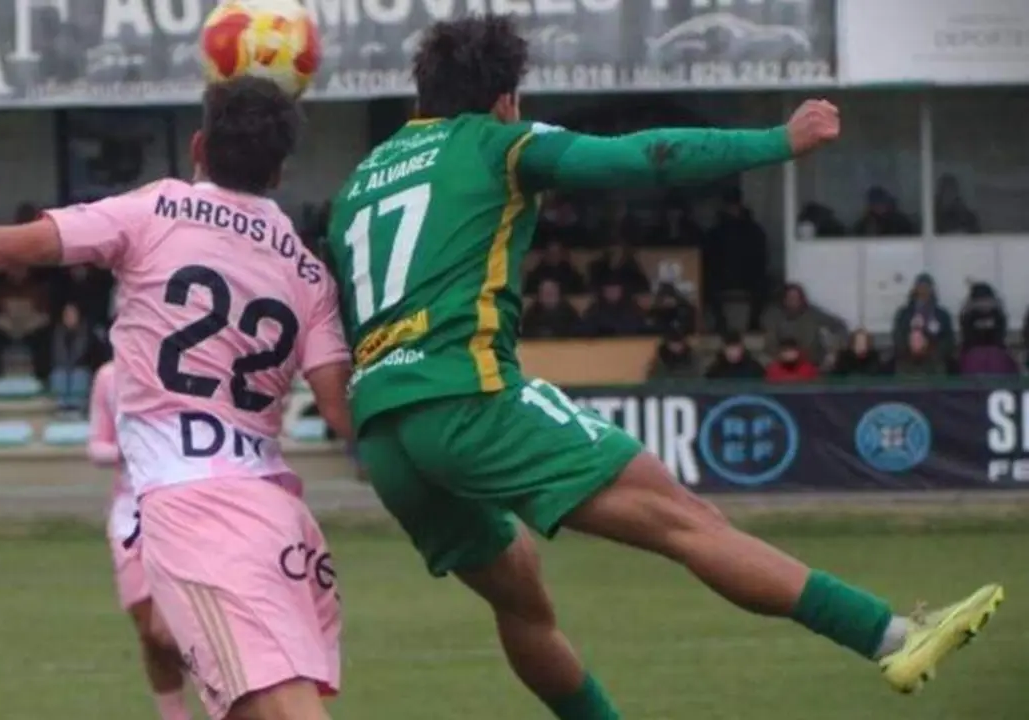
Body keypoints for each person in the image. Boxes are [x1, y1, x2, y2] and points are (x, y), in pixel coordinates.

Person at [321, 15, 1002, 719]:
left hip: (385, 437)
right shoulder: (500, 143)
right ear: (503, 100)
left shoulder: (357, 187)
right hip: (467, 397)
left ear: (419, 99)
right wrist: (777, 141)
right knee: (688, 522)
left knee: (523, 606)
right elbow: (642, 158)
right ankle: (889, 634)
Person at [0, 77, 353, 720]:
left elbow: (0, 247)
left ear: (197, 146)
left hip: (198, 504)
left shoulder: (154, 211)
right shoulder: (309, 271)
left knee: (280, 707)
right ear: (279, 172)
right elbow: (341, 413)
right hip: (277, 506)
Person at [88, 360, 192, 720]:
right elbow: (96, 444)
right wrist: (121, 452)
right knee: (152, 634)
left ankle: (230, 688)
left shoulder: (185, 368)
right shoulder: (109, 377)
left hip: (186, 513)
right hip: (130, 517)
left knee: (176, 632)